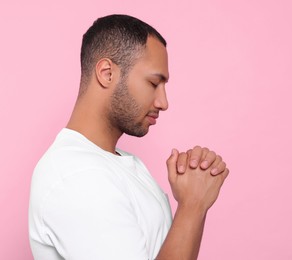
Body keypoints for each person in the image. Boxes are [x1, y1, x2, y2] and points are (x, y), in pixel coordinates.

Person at [29, 14, 229, 260]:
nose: (163, 102)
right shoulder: (77, 176)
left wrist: (193, 199)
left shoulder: (115, 163)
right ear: (107, 73)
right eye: (154, 83)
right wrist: (192, 205)